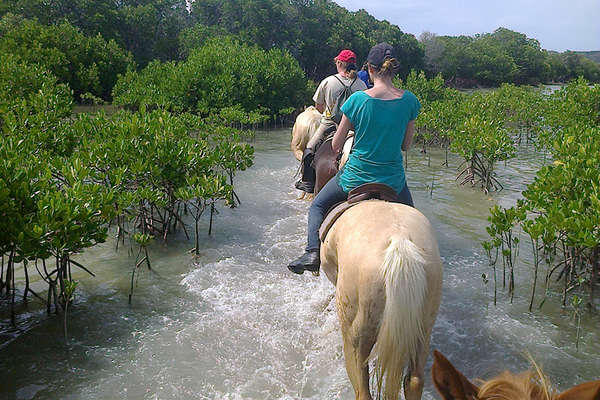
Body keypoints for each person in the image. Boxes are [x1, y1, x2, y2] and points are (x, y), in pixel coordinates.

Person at [288, 42, 421, 274]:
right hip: (393, 181)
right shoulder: (410, 101)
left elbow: (337, 144)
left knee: (317, 206)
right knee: (413, 223)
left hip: (355, 178)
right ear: (394, 69)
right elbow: (406, 145)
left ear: (369, 68)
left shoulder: (358, 100)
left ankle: (311, 252)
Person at [295, 49, 367, 194]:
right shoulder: (362, 85)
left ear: (340, 63)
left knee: (310, 148)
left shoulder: (328, 81)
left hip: (329, 124)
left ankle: (307, 182)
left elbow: (319, 107)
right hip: (354, 128)